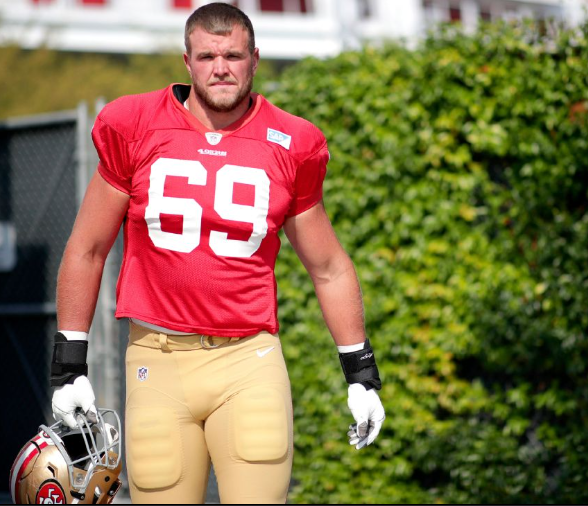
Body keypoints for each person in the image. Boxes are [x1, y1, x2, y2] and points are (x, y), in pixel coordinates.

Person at [47, 3, 385, 503]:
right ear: (187, 60)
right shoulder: (134, 125)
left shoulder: (291, 142)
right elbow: (88, 248)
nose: (220, 68)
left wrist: (360, 372)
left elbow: (329, 267)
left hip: (249, 360)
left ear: (255, 59)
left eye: (232, 55)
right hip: (157, 360)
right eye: (207, 56)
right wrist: (68, 365)